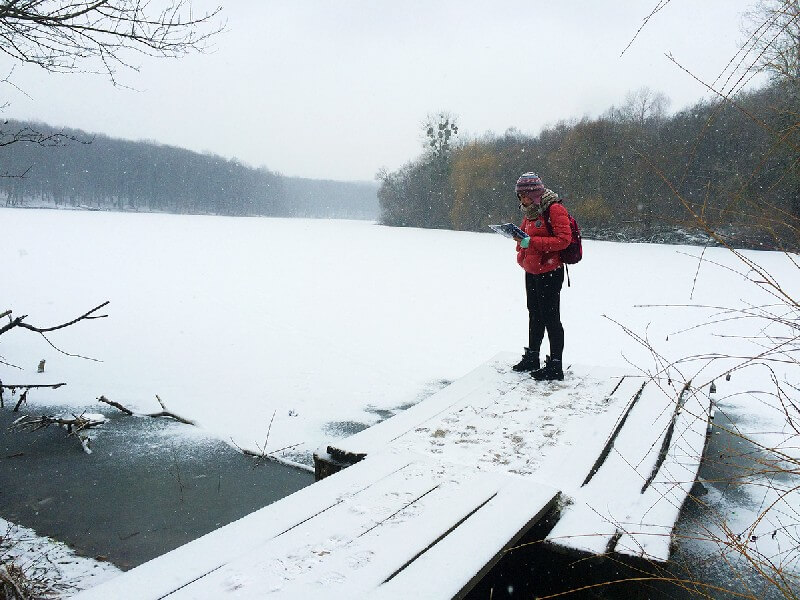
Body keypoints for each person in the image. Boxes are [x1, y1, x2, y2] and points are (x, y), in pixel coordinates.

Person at [511, 172, 572, 381]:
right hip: (532, 269)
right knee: (534, 315)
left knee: (551, 318)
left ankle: (556, 365)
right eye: (519, 196)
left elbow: (563, 240)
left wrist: (533, 243)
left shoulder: (554, 209)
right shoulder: (530, 212)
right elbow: (525, 234)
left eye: (524, 196)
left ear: (534, 193)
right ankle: (532, 357)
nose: (522, 200)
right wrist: (518, 238)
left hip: (550, 271)